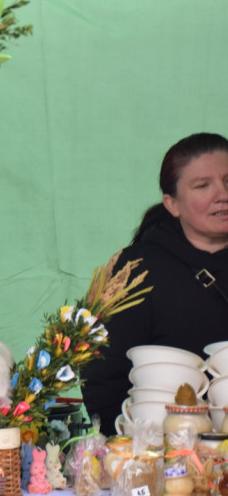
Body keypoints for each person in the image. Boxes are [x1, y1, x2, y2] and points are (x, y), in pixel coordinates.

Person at [82, 132, 228, 435]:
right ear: (172, 203)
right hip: (166, 456)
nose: (222, 194)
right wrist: (133, 454)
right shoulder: (136, 271)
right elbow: (102, 377)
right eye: (203, 185)